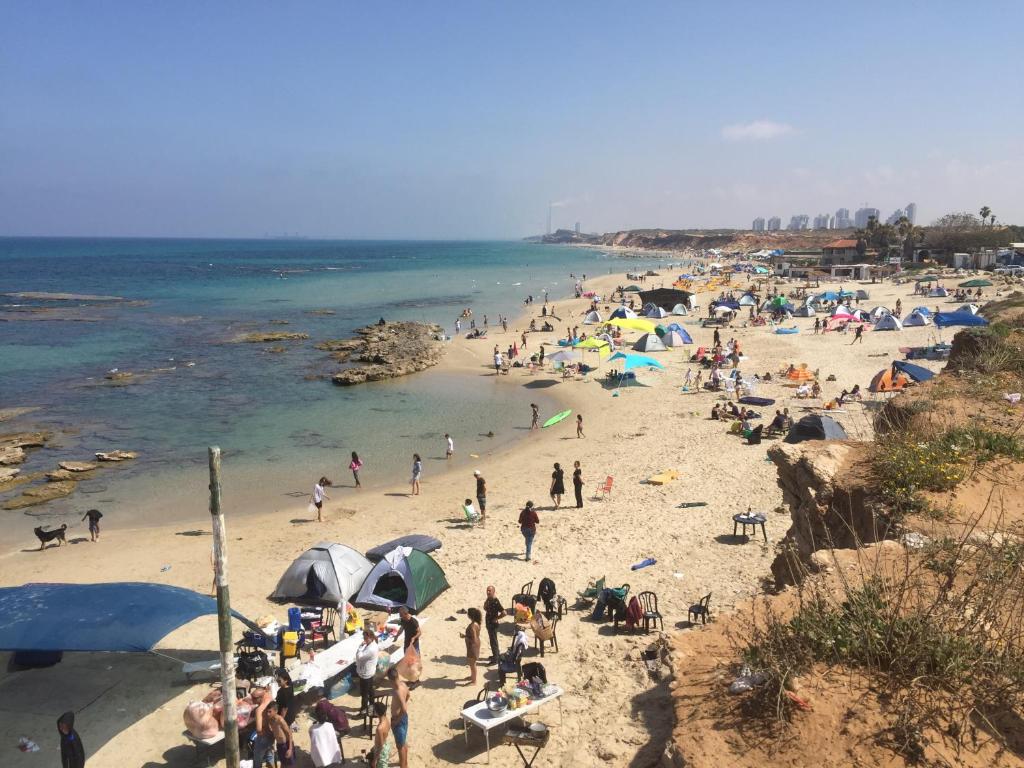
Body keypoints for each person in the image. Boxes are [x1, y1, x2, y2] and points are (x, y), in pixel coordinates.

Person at [388, 667, 410, 768]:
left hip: (399, 719)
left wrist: (396, 721)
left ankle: (403, 766)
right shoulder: (403, 684)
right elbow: (408, 695)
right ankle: (404, 763)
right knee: (403, 742)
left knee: (400, 746)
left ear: (390, 679)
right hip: (403, 717)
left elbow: (404, 709)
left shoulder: (397, 690)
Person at [355, 628, 379, 716]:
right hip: (370, 672)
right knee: (370, 691)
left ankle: (363, 710)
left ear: (371, 637)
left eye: (365, 638)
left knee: (364, 694)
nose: (364, 640)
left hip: (366, 674)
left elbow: (359, 657)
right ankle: (371, 707)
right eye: (363, 638)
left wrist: (360, 647)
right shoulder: (373, 644)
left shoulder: (371, 649)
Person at [266, 701, 294, 767]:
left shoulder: (280, 720)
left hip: (286, 745)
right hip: (279, 745)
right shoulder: (270, 720)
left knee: (289, 765)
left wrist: (290, 749)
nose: (268, 714)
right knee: (282, 763)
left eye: (270, 711)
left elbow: (289, 733)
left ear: (276, 711)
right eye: (267, 711)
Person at [483, 585, 505, 665]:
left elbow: (504, 613)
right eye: (487, 590)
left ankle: (495, 659)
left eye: (490, 591)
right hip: (489, 623)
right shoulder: (489, 599)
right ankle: (495, 655)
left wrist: (496, 618)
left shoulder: (496, 601)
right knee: (492, 641)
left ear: (493, 592)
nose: (488, 592)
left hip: (493, 625)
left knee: (493, 642)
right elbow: (485, 608)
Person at [370, 701, 393, 768]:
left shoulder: (379, 728)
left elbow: (380, 746)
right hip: (386, 745)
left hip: (381, 752)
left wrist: (375, 760)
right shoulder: (386, 719)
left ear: (376, 713)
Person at [464, 607, 482, 684]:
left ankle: (474, 681)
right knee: (472, 663)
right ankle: (472, 677)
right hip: (476, 644)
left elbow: (473, 639)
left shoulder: (472, 626)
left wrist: (466, 638)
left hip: (473, 646)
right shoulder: (477, 623)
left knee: (472, 664)